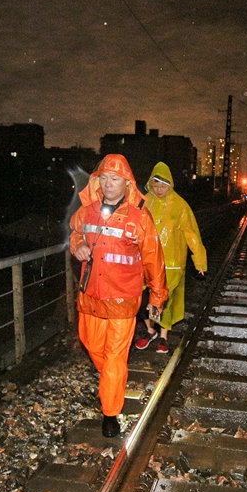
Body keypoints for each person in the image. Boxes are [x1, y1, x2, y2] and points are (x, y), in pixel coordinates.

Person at [69, 154, 168, 438]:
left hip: (123, 299)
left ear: (127, 183)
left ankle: (111, 412)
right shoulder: (86, 211)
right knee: (92, 345)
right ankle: (113, 380)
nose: (109, 184)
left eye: (115, 179)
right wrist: (77, 247)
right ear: (97, 180)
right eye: (104, 178)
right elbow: (75, 232)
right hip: (90, 297)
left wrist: (156, 299)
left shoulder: (140, 217)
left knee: (113, 358)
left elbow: (153, 259)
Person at [135, 161, 207, 354]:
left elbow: (191, 233)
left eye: (163, 186)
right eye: (156, 185)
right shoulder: (143, 201)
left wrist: (199, 260)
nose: (159, 190)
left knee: (164, 300)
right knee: (142, 299)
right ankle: (150, 330)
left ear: (170, 185)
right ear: (151, 184)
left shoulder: (180, 206)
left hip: (171, 262)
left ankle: (163, 336)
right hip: (144, 260)